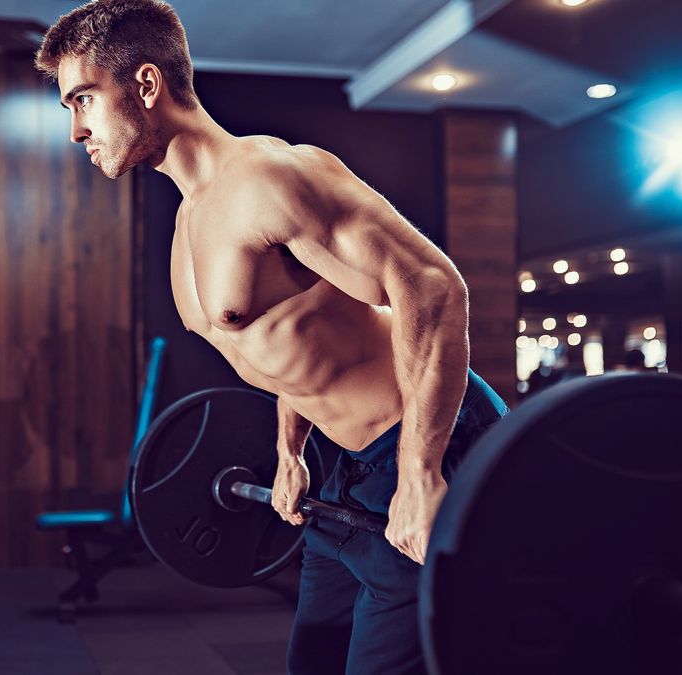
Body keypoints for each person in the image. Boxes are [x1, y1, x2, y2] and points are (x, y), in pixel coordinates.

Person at [36, 2, 509, 673]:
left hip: (426, 439)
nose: (78, 128)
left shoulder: (270, 178)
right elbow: (292, 345)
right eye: (68, 107)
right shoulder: (188, 222)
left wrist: (419, 469)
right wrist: (292, 449)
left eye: (83, 98)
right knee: (311, 662)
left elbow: (433, 287)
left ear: (146, 84)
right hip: (343, 467)